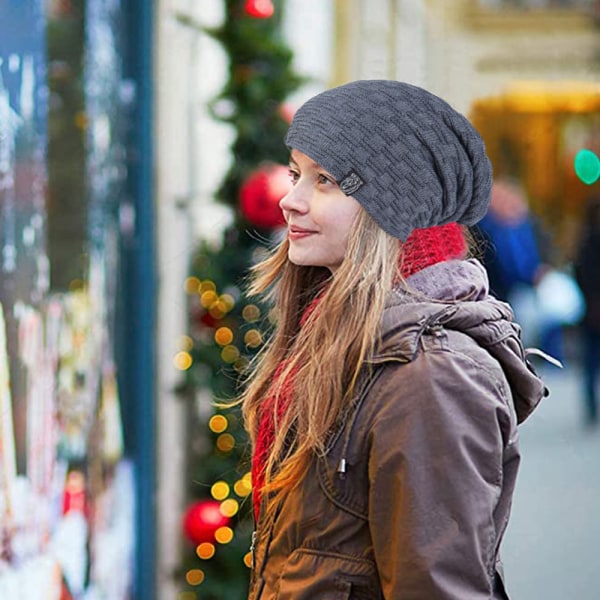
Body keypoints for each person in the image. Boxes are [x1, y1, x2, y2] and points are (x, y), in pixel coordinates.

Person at [240, 80, 546, 600]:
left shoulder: (433, 374)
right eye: (296, 174)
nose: (289, 200)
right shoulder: (337, 332)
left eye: (326, 180)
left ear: (396, 205)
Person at [574, 195, 600, 426]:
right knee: (591, 360)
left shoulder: (585, 242)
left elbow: (579, 273)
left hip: (591, 309)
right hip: (593, 309)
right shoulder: (588, 242)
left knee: (591, 361)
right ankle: (592, 404)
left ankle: (592, 404)